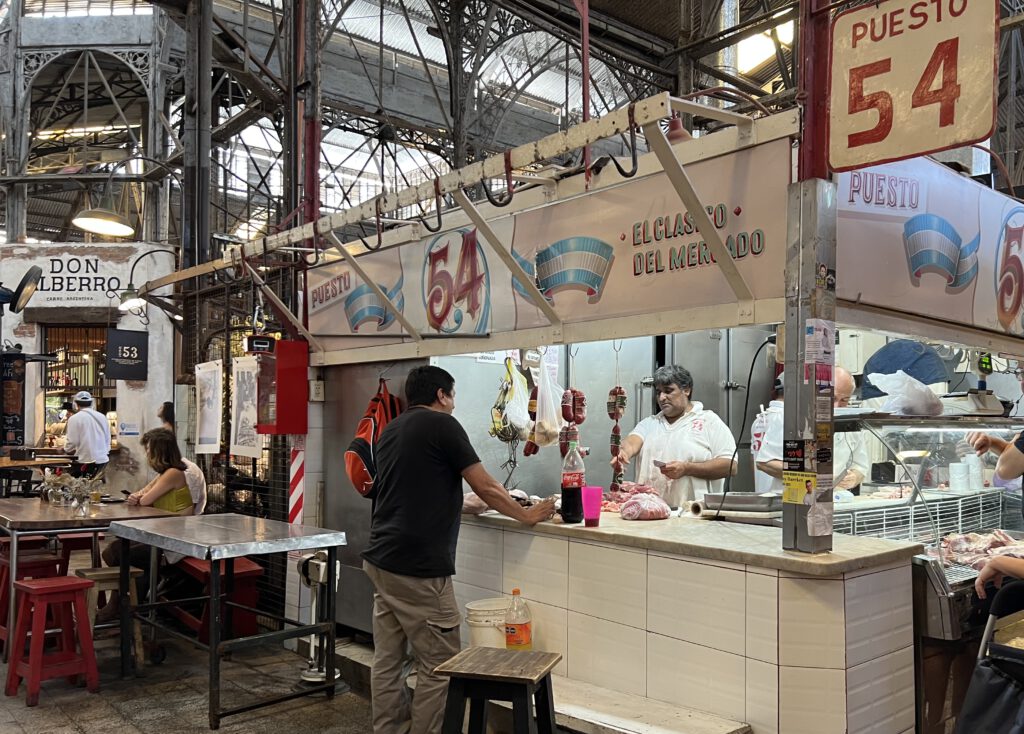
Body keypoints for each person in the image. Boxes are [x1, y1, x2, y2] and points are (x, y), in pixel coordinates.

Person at [361, 365, 555, 734]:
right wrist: (526, 515)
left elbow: (409, 491)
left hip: (382, 559)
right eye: (453, 396)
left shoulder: (393, 429)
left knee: (388, 660)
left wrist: (458, 503)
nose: (453, 404)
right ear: (441, 395)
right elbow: (487, 485)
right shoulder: (443, 425)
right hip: (418, 568)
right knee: (440, 664)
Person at [98, 428, 205, 620]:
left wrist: (139, 497)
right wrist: (138, 496)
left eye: (149, 450)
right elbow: (143, 493)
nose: (147, 454)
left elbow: (145, 500)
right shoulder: (170, 471)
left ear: (159, 451)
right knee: (120, 553)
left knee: (118, 552)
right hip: (166, 536)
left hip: (174, 544)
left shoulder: (173, 473)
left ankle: (124, 608)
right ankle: (129, 606)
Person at [612, 364, 736, 507]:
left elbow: (730, 465)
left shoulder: (709, 421)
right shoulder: (650, 423)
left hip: (694, 515)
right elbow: (632, 442)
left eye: (668, 391)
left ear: (687, 390)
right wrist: (623, 452)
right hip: (650, 515)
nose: (662, 397)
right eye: (658, 392)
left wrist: (687, 468)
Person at [755, 366, 869, 492]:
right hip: (792, 503)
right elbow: (764, 463)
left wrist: (854, 477)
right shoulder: (790, 417)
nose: (836, 406)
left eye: (844, 400)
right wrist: (807, 474)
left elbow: (860, 465)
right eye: (832, 398)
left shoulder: (849, 422)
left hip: (835, 502)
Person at [750, 372, 784, 494]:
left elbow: (754, 460)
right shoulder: (787, 419)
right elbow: (761, 462)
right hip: (780, 495)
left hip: (760, 493)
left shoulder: (758, 420)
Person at [63, 390, 110, 478]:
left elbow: (72, 442)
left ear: (76, 404)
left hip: (85, 460)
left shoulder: (74, 418)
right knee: (93, 485)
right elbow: (108, 439)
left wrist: (65, 450)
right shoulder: (102, 417)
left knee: (78, 486)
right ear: (91, 403)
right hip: (102, 460)